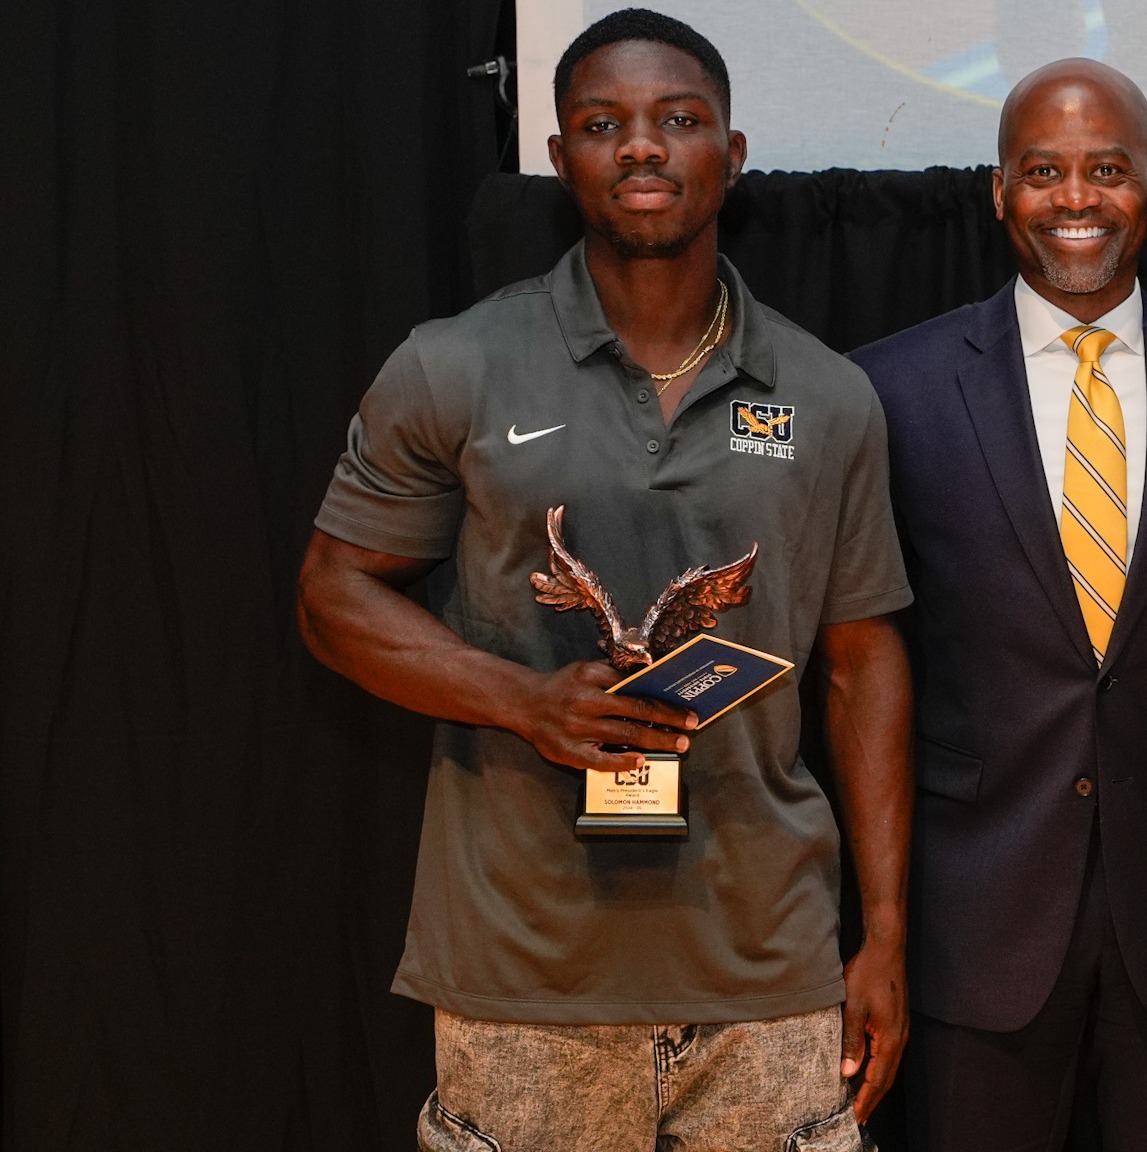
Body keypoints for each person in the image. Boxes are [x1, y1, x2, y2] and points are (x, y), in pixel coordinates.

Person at [295, 11, 911, 1151]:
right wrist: (522, 700)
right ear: (557, 157)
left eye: (678, 121)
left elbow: (863, 663)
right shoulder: (457, 363)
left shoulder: (827, 398)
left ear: (730, 156)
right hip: (521, 971)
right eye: (601, 124)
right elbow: (332, 596)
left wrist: (883, 938)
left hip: (766, 973)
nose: (641, 147)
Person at [848, 59, 1147, 1152]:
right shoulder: (888, 391)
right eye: (1043, 171)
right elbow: (860, 652)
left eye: (1106, 169)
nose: (1076, 198)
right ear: (998, 192)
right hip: (975, 923)